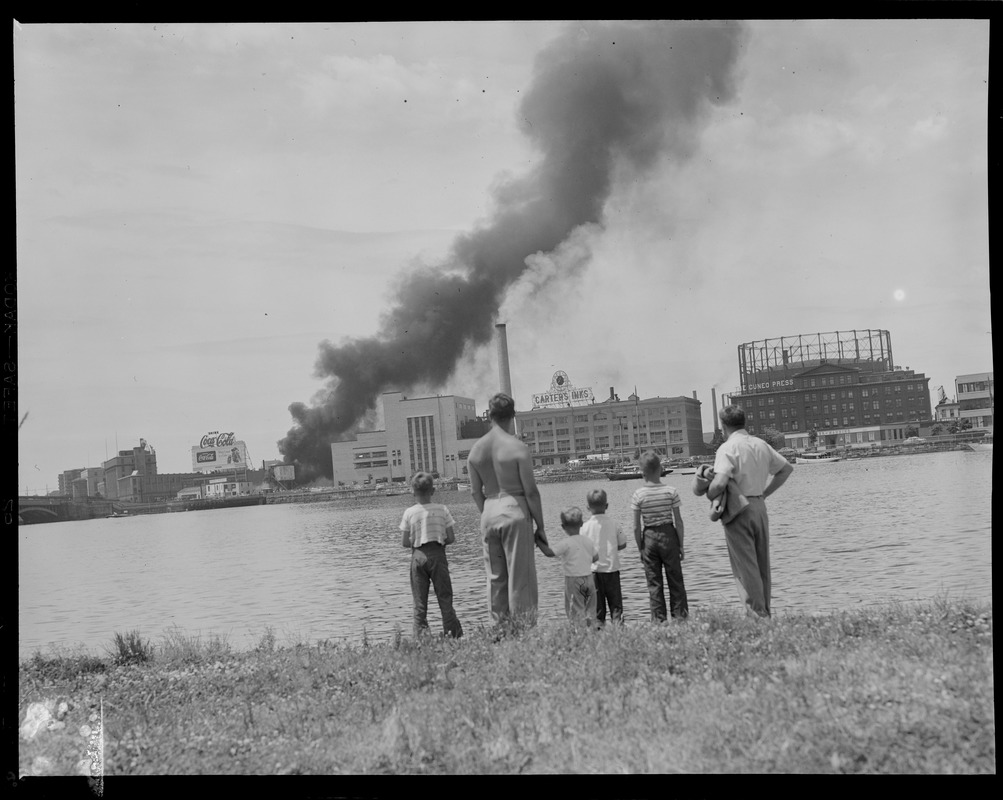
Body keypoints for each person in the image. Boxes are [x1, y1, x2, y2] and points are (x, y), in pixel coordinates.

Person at [467, 392, 548, 628]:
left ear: (489, 416)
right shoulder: (518, 448)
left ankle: (499, 631)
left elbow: (474, 491)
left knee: (495, 578)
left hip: (489, 511)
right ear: (512, 416)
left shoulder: (475, 451)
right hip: (515, 509)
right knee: (520, 578)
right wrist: (540, 526)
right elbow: (531, 491)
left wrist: (488, 512)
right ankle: (522, 632)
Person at [706, 405, 794, 618]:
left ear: (723, 425)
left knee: (745, 566)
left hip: (738, 509)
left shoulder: (727, 448)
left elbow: (719, 483)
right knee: (762, 562)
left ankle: (757, 615)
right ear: (744, 421)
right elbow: (785, 469)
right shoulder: (760, 444)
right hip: (759, 507)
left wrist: (708, 492)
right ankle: (765, 610)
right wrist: (764, 494)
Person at [398, 471, 463, 638]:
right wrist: (439, 539)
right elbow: (451, 538)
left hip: (418, 556)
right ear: (433, 491)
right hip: (438, 555)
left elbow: (405, 542)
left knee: (419, 603)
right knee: (445, 598)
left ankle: (421, 639)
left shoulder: (409, 513)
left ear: (412, 492)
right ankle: (453, 635)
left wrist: (418, 540)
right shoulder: (442, 510)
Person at [631, 450, 688, 621]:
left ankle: (659, 621)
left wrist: (640, 548)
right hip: (669, 535)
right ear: (661, 468)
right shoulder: (671, 491)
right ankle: (680, 618)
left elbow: (635, 526)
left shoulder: (638, 495)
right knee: (675, 580)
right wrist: (681, 544)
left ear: (642, 473)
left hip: (649, 536)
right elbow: (679, 521)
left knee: (654, 583)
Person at [536, 506, 599, 625]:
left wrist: (538, 542)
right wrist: (584, 561)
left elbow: (550, 553)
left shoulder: (566, 543)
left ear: (563, 527)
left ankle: (578, 634)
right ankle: (592, 633)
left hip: (573, 580)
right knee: (590, 609)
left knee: (575, 610)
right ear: (581, 524)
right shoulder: (588, 541)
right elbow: (596, 557)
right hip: (589, 579)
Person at [580, 488, 628, 626]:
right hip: (612, 571)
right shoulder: (614, 524)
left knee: (597, 609)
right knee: (616, 607)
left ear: (588, 507)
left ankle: (598, 633)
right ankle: (618, 631)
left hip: (593, 572)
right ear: (606, 506)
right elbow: (623, 544)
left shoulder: (584, 527)